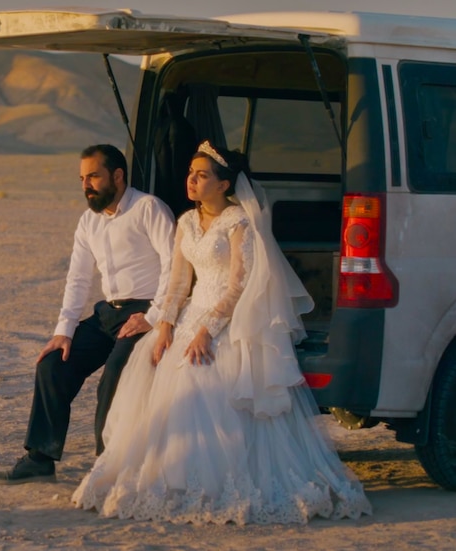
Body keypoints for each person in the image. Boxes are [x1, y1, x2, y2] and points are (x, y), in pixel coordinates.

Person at [72, 141, 372, 525]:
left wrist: (207, 332)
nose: (192, 180)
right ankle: (169, 474)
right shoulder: (184, 222)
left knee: (205, 378)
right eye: (190, 174)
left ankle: (217, 480)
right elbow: (178, 283)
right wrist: (165, 327)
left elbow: (238, 286)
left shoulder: (238, 223)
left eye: (201, 175)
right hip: (190, 314)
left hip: (228, 320)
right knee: (159, 371)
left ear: (224, 184)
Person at [0, 144, 176, 485]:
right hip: (108, 314)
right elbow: (78, 278)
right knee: (52, 364)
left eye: (93, 176)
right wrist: (65, 330)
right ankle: (40, 459)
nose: (86, 185)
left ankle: (108, 466)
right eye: (82, 178)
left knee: (114, 375)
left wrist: (154, 315)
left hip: (146, 311)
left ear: (117, 176)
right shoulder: (89, 221)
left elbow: (173, 266)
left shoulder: (149, 208)